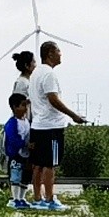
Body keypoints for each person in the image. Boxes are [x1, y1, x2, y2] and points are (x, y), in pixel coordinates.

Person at [32, 38, 87, 208]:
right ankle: (49, 199)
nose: (60, 54)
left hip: (38, 125)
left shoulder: (36, 72)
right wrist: (73, 115)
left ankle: (37, 198)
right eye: (58, 51)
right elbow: (53, 99)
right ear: (50, 53)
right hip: (51, 126)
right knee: (50, 164)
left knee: (38, 164)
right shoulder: (49, 74)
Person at [0, 88, 33, 207]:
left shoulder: (26, 122)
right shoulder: (12, 123)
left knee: (26, 177)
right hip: (15, 154)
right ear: (15, 107)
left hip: (26, 154)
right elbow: (13, 139)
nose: (25, 108)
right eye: (23, 105)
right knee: (15, 175)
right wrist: (24, 144)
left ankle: (22, 197)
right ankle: (15, 198)